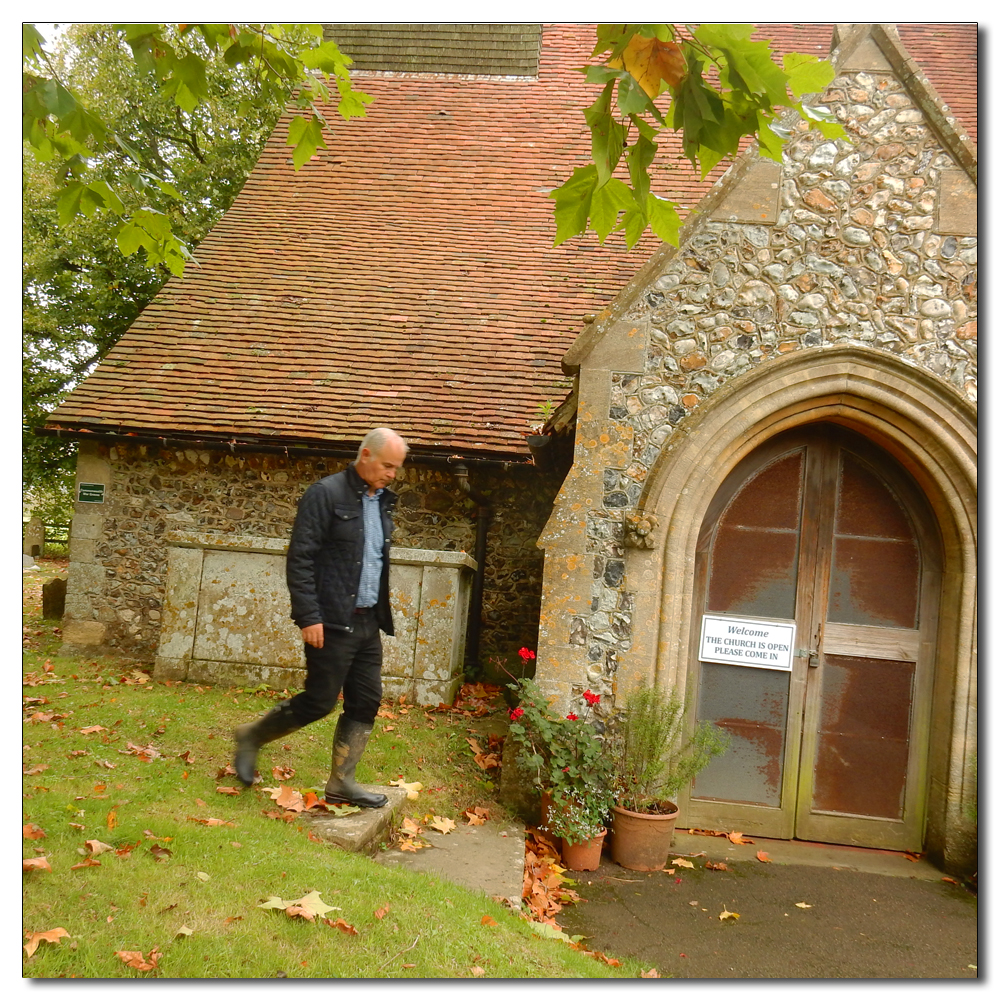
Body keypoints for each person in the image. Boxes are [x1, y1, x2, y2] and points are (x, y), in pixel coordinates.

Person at [233, 427, 408, 807]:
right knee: (319, 701)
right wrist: (308, 615)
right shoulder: (324, 494)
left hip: (367, 622)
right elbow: (301, 558)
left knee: (366, 701)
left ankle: (342, 782)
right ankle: (252, 736)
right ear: (365, 455)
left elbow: (373, 560)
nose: (392, 474)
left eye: (397, 468)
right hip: (330, 620)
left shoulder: (382, 502)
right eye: (388, 466)